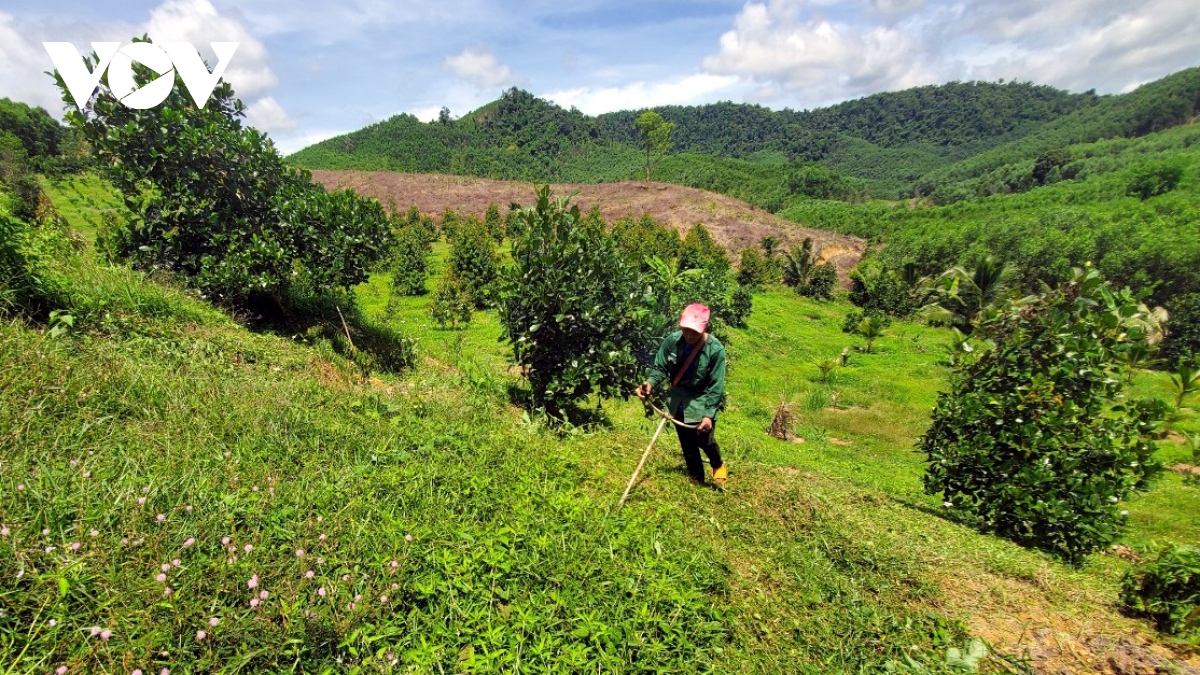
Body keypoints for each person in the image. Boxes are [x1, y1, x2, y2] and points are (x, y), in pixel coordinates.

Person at [635, 303, 728, 487]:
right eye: (686, 330)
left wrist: (708, 416)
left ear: (704, 328)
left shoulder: (716, 350)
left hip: (701, 400)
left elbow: (716, 385)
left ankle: (717, 463)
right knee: (687, 442)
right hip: (678, 400)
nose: (689, 335)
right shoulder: (672, 341)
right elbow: (660, 368)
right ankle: (697, 480)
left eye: (694, 332)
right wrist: (650, 383)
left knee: (703, 438)